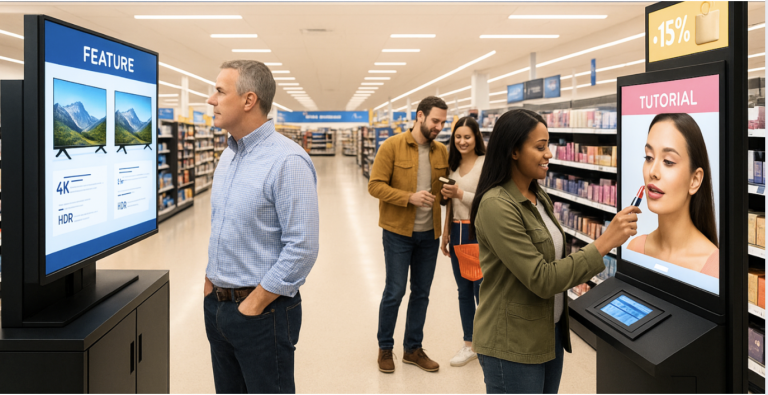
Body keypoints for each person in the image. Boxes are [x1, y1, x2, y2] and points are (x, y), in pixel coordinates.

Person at [468, 109, 640, 394]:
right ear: (513, 151)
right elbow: (542, 278)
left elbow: (554, 257)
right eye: (539, 147)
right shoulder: (496, 205)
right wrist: (604, 242)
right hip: (511, 344)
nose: (549, 153)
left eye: (548, 144)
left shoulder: (539, 195)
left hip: (548, 333)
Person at [203, 60, 320, 394]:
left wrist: (253, 305)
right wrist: (210, 285)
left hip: (261, 314)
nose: (211, 99)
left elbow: (303, 248)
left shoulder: (288, 161)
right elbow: (221, 226)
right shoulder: (228, 156)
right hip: (218, 307)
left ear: (248, 100)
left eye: (220, 91)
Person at [368, 96, 450, 373]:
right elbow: (375, 186)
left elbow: (443, 193)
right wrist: (409, 197)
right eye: (435, 120)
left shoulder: (442, 152)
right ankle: (385, 348)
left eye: (442, 122)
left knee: (422, 293)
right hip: (398, 233)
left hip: (430, 235)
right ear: (420, 116)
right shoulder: (391, 146)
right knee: (395, 291)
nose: (439, 126)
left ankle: (413, 349)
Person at [627, 113, 719, 278]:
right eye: (648, 157)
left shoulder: (715, 269)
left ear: (695, 180)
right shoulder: (636, 249)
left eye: (668, 161)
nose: (652, 172)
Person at [439, 116, 486, 367]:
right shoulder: (452, 165)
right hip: (457, 232)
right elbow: (450, 203)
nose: (462, 141)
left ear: (476, 137)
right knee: (463, 291)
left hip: (477, 233)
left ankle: (488, 342)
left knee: (482, 290)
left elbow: (488, 200)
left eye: (467, 136)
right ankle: (469, 344)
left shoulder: (485, 164)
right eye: (458, 137)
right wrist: (445, 233)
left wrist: (460, 192)